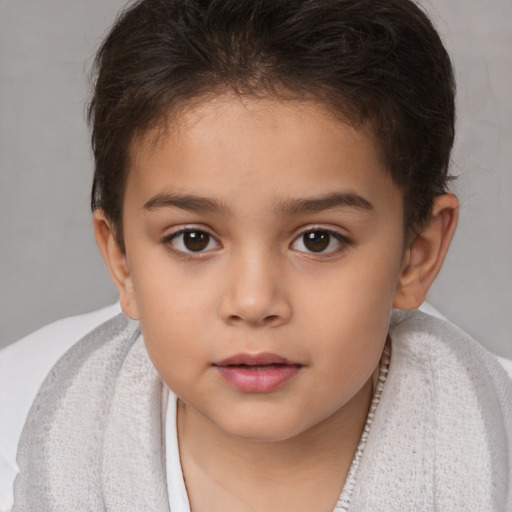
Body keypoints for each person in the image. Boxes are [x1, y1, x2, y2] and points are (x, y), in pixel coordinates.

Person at [3, 0, 512, 510]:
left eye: (318, 239)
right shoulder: (13, 424)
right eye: (193, 239)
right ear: (122, 260)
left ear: (415, 256)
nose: (253, 301)